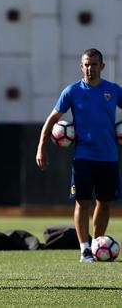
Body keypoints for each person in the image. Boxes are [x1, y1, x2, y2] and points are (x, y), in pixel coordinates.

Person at [36, 48, 122, 263]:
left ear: (102, 66)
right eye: (86, 64)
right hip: (83, 156)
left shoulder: (113, 90)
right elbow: (52, 119)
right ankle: (85, 249)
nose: (89, 68)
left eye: (94, 64)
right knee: (82, 202)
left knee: (104, 202)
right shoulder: (72, 91)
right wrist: (41, 147)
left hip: (109, 157)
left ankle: (98, 243)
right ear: (81, 66)